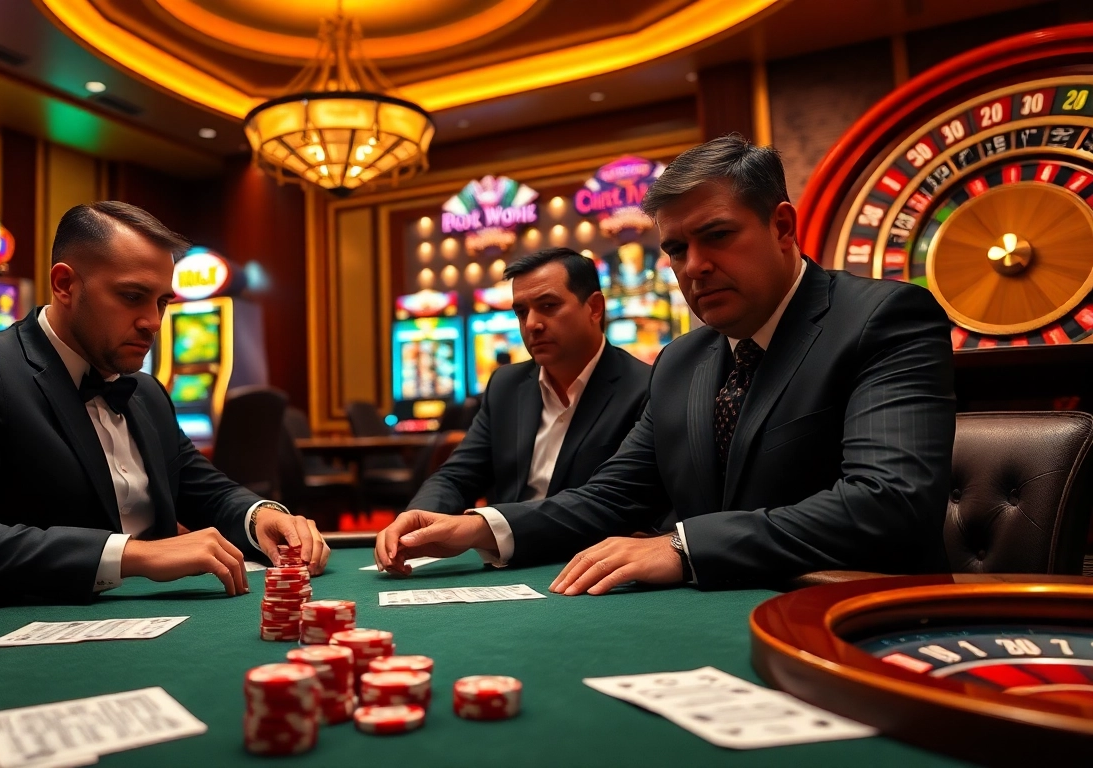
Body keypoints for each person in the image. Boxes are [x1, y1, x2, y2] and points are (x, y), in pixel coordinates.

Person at [375, 134, 955, 591]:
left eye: (717, 235)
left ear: (781, 227)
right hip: (713, 615)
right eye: (677, 248)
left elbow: (889, 502)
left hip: (860, 620)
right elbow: (613, 496)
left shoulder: (882, 318)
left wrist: (685, 547)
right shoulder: (681, 359)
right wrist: (480, 526)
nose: (694, 265)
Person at [0, 202, 329, 599]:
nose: (153, 322)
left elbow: (207, 492)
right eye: (132, 297)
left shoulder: (146, 391)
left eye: (162, 302)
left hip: (155, 620)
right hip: (25, 628)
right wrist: (135, 555)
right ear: (65, 284)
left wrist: (261, 516)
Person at [381, 248, 651, 573]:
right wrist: (420, 518)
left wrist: (482, 527)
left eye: (548, 306)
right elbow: (458, 476)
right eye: (521, 312)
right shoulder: (505, 386)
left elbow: (608, 502)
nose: (532, 324)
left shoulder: (645, 387)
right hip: (506, 566)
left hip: (588, 568)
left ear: (594, 308)